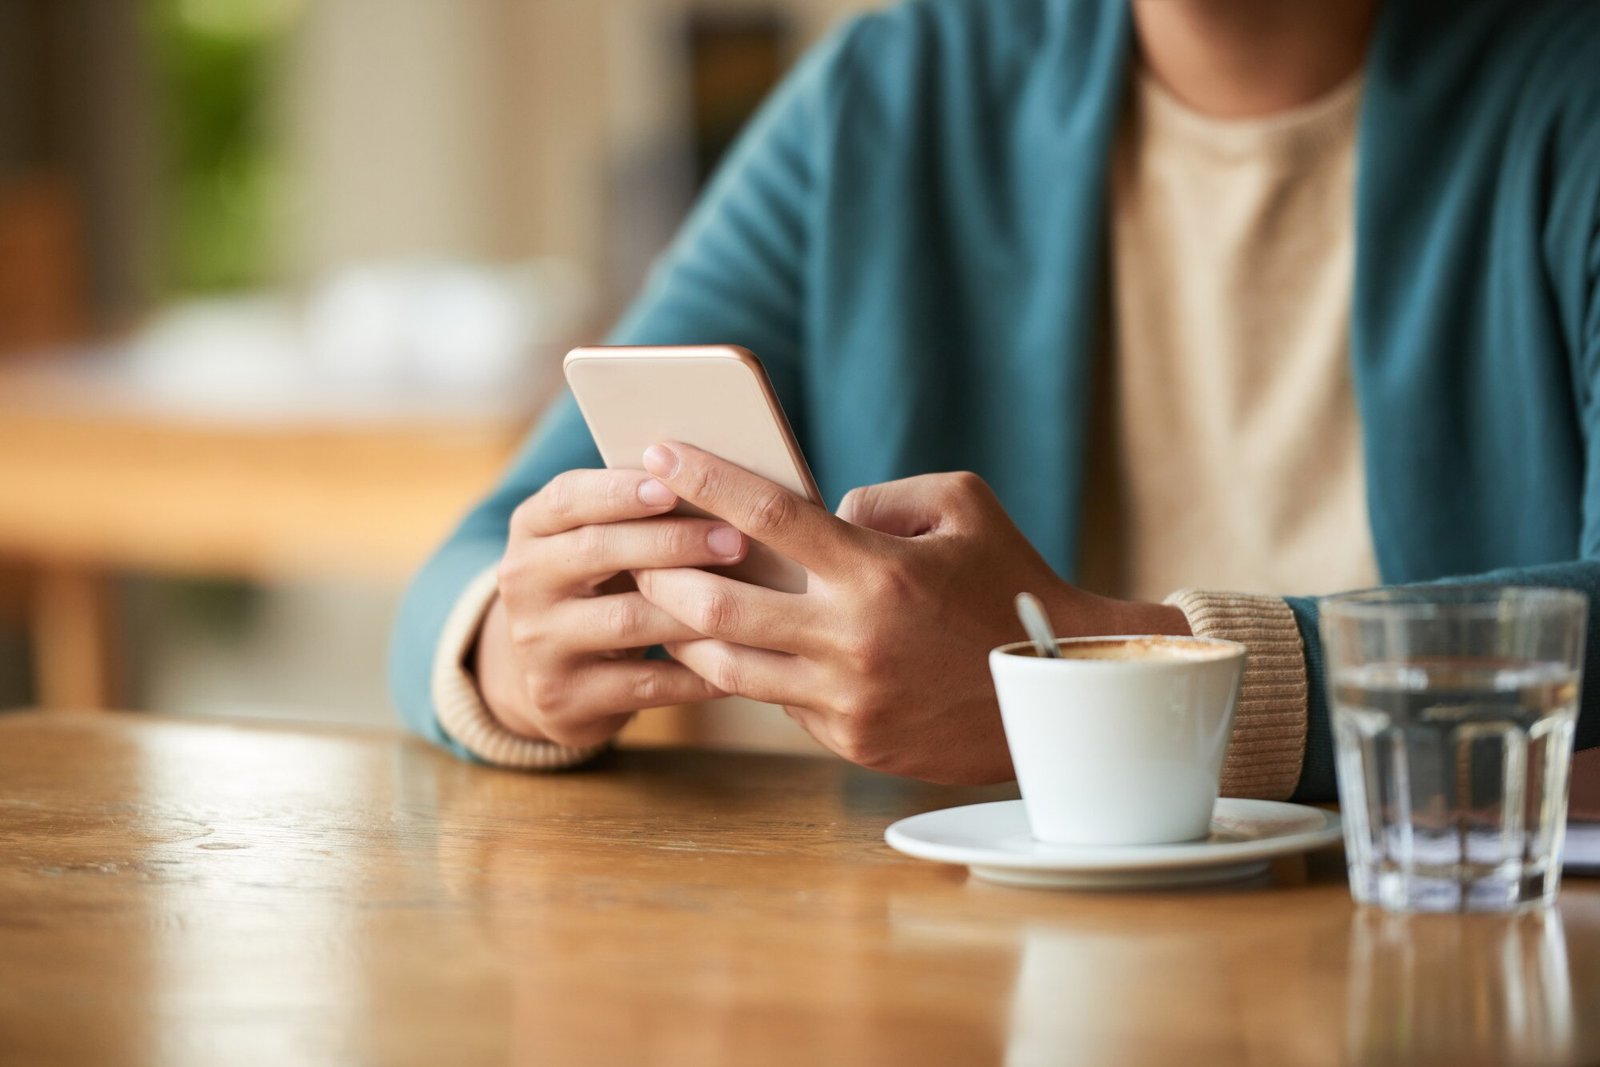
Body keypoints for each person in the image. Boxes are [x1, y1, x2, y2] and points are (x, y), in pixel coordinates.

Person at [390, 0, 1600, 800]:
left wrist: (1112, 687)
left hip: (1445, 957)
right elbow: (469, 567)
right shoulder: (895, 91)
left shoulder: (1566, 84)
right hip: (964, 973)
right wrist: (516, 650)